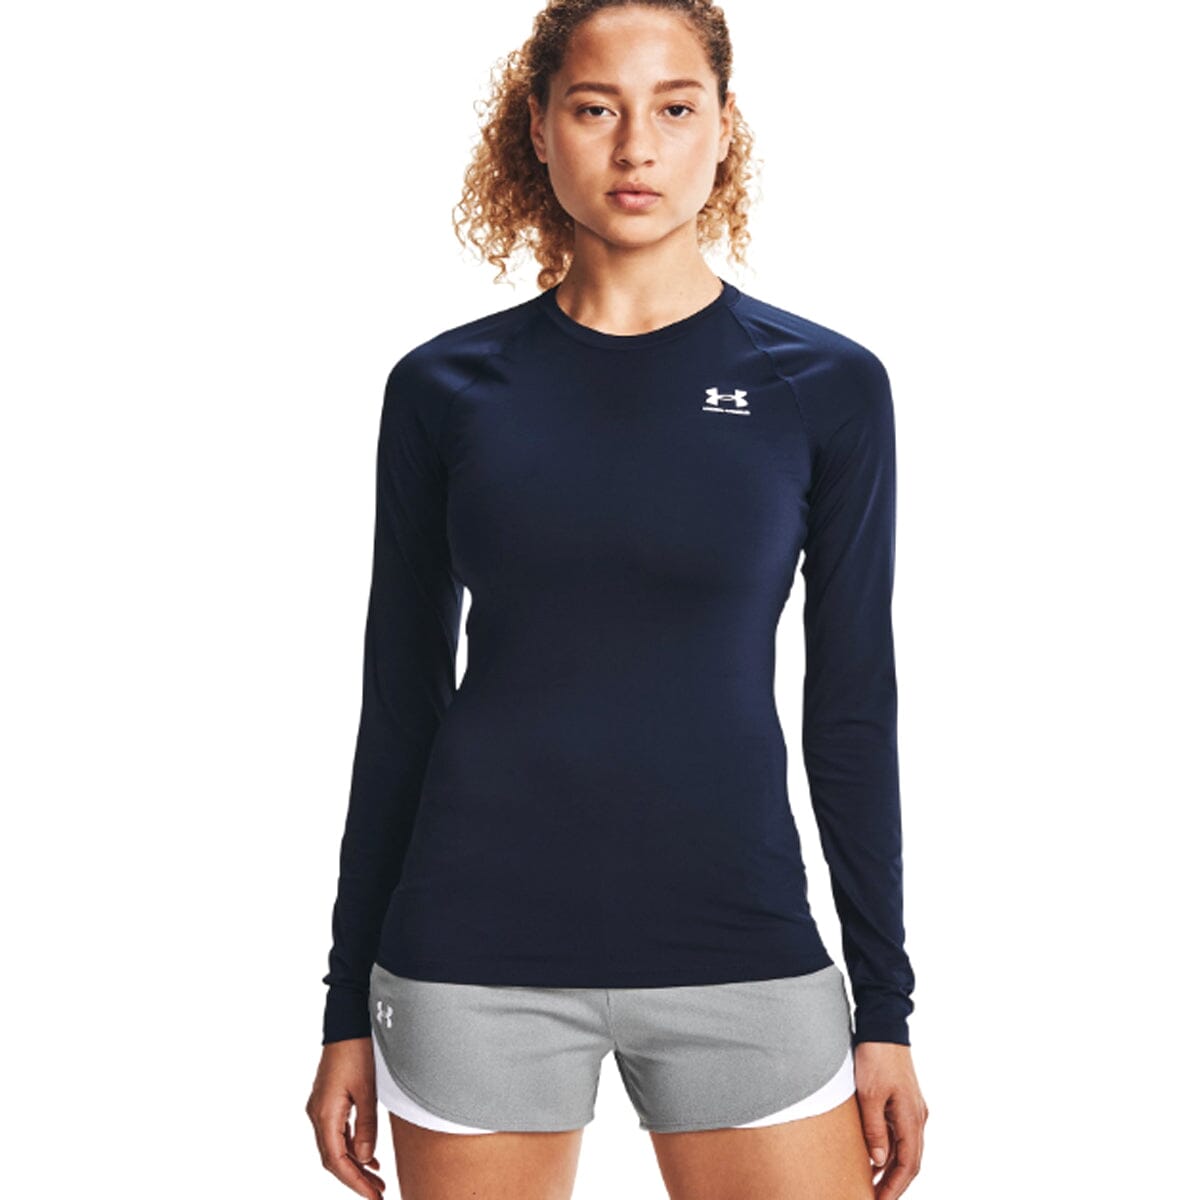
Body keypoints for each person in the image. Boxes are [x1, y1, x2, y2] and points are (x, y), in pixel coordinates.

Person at [305, 2, 929, 1197]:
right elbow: (399, 705)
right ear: (539, 128)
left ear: (724, 127)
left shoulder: (824, 387)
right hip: (468, 965)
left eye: (674, 108)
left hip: (743, 948)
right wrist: (344, 1009)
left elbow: (853, 710)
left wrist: (886, 1010)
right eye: (596, 108)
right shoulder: (444, 388)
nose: (637, 146)